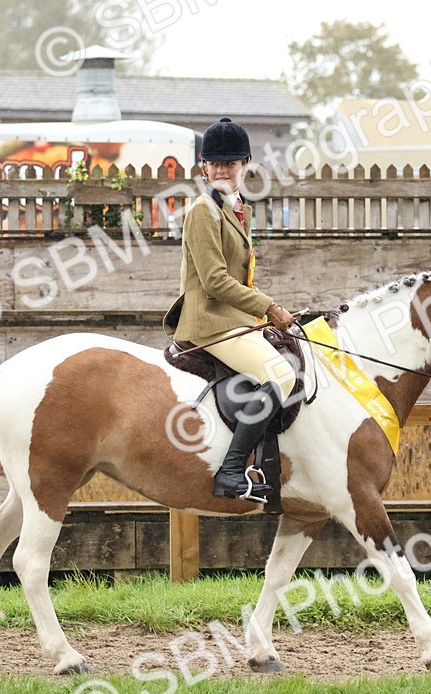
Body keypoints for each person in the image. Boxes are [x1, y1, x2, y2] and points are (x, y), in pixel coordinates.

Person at [163, 117, 298, 503]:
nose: (223, 169)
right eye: (215, 163)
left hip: (235, 319)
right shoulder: (203, 211)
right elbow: (215, 281)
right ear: (203, 168)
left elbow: (244, 279)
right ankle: (231, 470)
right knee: (280, 375)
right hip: (209, 321)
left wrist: (264, 312)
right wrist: (269, 307)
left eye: (231, 163)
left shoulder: (240, 210)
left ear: (245, 165)